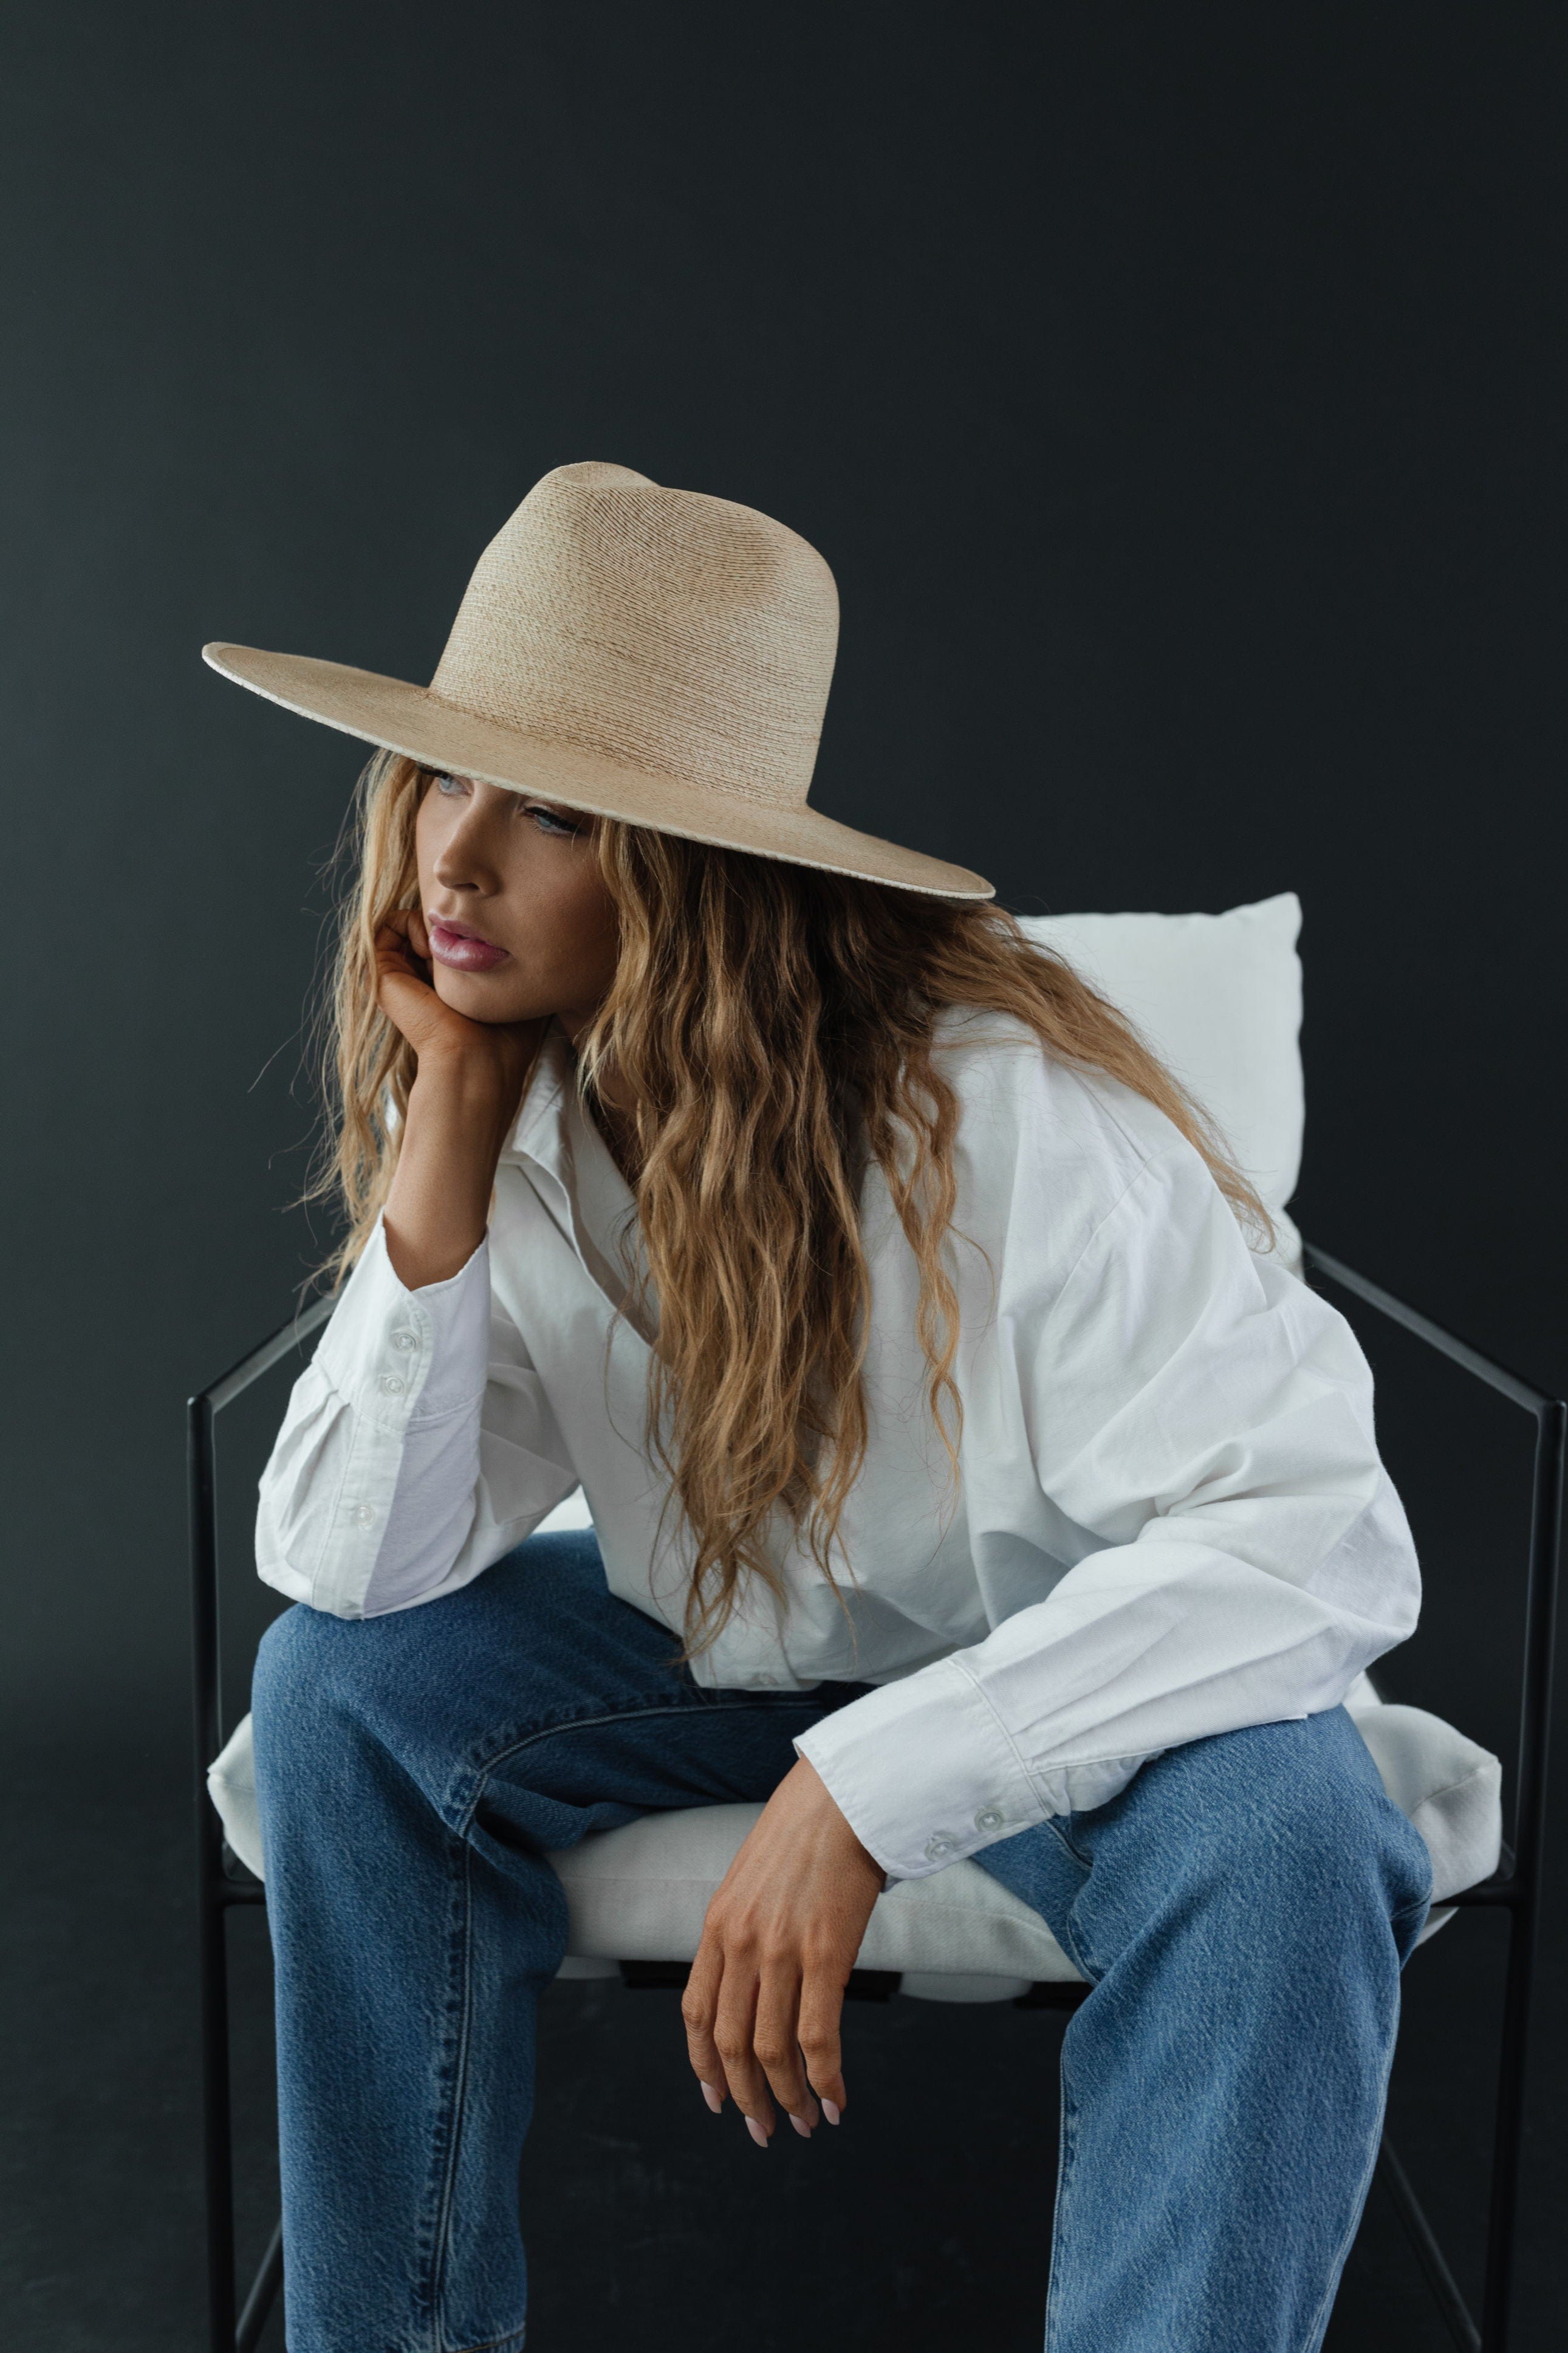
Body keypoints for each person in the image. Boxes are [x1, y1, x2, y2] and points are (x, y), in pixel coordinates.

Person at [207, 461, 1433, 2353]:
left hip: (1063, 1669)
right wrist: (441, 1139)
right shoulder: (510, 1084)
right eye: (443, 778)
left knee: (1299, 1834)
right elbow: (351, 1571)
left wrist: (865, 1791)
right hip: (707, 1641)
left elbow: (1320, 1537)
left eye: (547, 811)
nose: (453, 862)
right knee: (335, 1692)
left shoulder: (1007, 1118)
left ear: (690, 867)